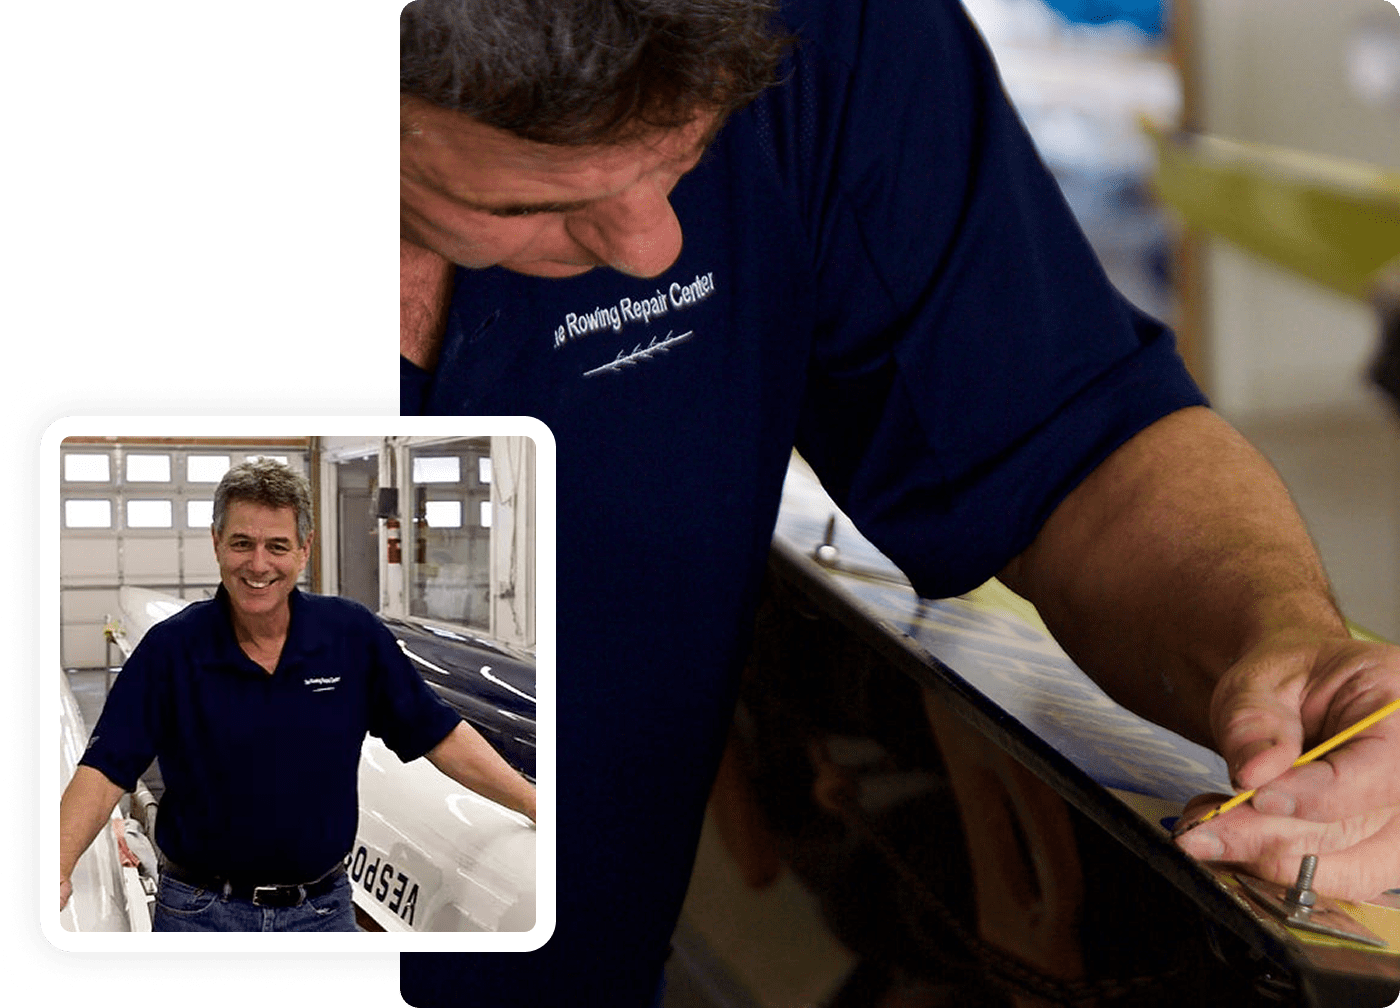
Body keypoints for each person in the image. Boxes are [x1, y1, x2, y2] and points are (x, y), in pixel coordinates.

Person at [398, 0, 1400, 1003]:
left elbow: (1067, 441)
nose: (651, 244)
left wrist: (1284, 649)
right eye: (531, 203)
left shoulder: (838, 26)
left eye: (687, 153)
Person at [58, 458, 536, 931]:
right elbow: (105, 769)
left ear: (304, 550)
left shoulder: (352, 636)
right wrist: (56, 868)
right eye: (242, 544)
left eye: (277, 546)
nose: (258, 564)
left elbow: (439, 734)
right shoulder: (171, 650)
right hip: (201, 914)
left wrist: (535, 804)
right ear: (217, 544)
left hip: (323, 911)